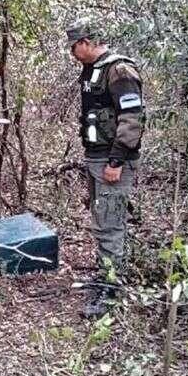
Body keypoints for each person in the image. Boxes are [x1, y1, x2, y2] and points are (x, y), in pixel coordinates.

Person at [65, 17, 145, 318]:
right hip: (95, 157)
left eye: (74, 47)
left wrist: (116, 160)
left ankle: (112, 292)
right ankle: (105, 276)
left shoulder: (119, 70)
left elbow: (132, 118)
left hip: (112, 161)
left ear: (86, 42)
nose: (73, 53)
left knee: (111, 225)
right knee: (102, 222)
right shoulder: (92, 71)